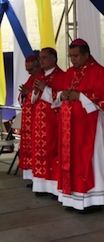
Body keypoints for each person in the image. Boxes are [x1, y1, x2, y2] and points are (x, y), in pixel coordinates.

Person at [55, 39, 104, 212]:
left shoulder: (100, 72)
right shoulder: (69, 73)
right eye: (70, 56)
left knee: (92, 161)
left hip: (92, 126)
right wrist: (62, 95)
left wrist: (80, 97)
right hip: (70, 127)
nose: (72, 60)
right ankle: (72, 199)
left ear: (86, 55)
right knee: (72, 161)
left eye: (76, 56)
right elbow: (59, 94)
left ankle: (93, 200)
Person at [29, 47, 65, 195]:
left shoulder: (61, 76)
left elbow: (61, 99)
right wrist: (35, 92)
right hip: (39, 122)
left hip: (53, 122)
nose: (41, 60)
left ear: (53, 59)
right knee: (39, 153)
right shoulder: (40, 76)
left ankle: (53, 188)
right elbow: (32, 100)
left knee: (52, 152)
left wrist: (45, 89)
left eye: (44, 57)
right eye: (40, 58)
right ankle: (40, 186)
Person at [17, 53, 42, 181]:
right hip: (28, 121)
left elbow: (45, 98)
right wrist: (23, 94)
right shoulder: (31, 78)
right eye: (27, 70)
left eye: (31, 69)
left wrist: (29, 92)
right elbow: (23, 96)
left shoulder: (42, 78)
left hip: (38, 121)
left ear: (39, 66)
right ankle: (32, 178)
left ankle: (37, 179)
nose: (29, 72)